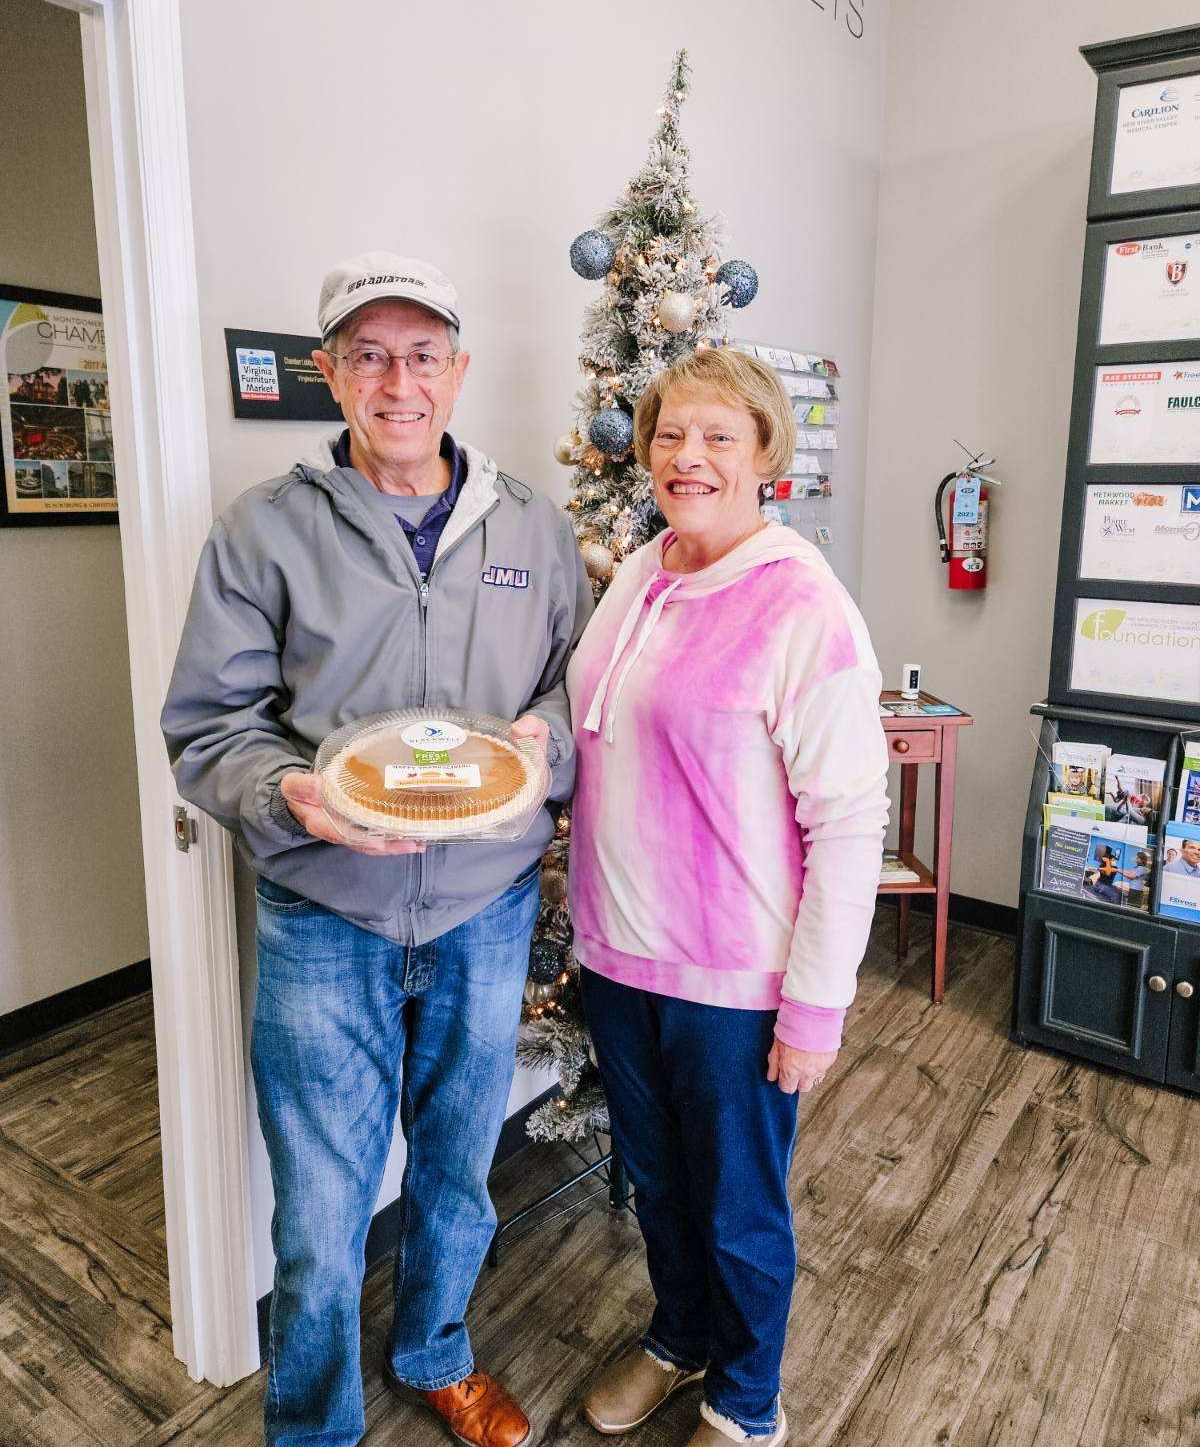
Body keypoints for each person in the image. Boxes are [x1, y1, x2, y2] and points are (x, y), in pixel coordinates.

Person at [161, 252, 592, 1447]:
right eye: (368, 355)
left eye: (421, 355)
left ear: (458, 370)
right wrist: (288, 792)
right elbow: (210, 724)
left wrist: (546, 748)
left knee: (456, 1170)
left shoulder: (533, 525)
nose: (398, 382)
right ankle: (314, 1422)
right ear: (329, 373)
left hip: (485, 911)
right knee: (318, 1210)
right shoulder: (264, 530)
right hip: (325, 914)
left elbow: (575, 688)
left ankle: (435, 1351)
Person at [566, 347, 889, 1447]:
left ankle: (748, 1405)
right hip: (619, 959)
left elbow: (848, 824)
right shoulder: (639, 572)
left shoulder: (804, 606)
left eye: (717, 436)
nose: (687, 455)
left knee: (740, 1208)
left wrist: (814, 1007)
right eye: (669, 434)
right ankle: (680, 1339)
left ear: (763, 455)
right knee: (658, 1185)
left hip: (735, 980)